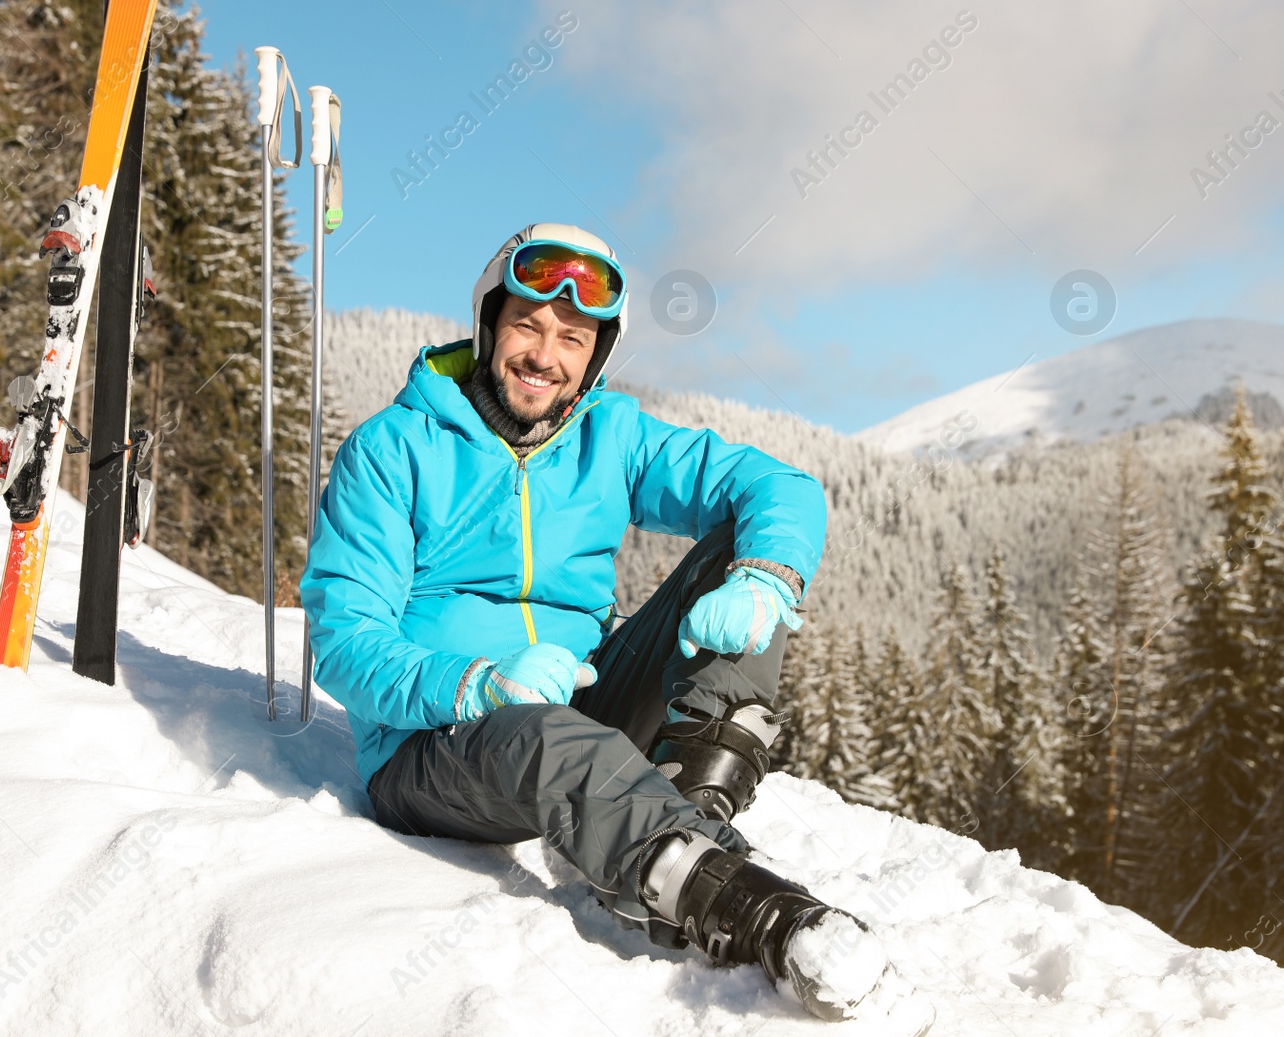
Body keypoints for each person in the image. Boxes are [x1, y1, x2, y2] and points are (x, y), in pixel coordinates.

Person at [300, 223, 897, 1023]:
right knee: (548, 741)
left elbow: (777, 485)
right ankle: (756, 913)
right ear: (488, 325)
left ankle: (682, 822)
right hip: (431, 745)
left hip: (581, 706)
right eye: (528, 325)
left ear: (595, 356)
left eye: (573, 338)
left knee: (738, 552)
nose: (545, 355)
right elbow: (345, 643)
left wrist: (766, 577)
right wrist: (476, 685)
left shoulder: (609, 438)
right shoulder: (394, 449)